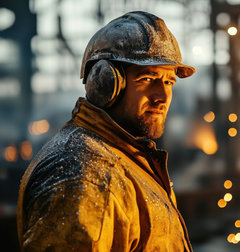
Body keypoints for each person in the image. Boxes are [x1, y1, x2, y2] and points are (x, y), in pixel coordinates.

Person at [17, 11, 195, 251]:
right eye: (147, 79)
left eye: (168, 82)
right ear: (105, 83)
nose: (162, 97)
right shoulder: (84, 175)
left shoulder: (123, 159)